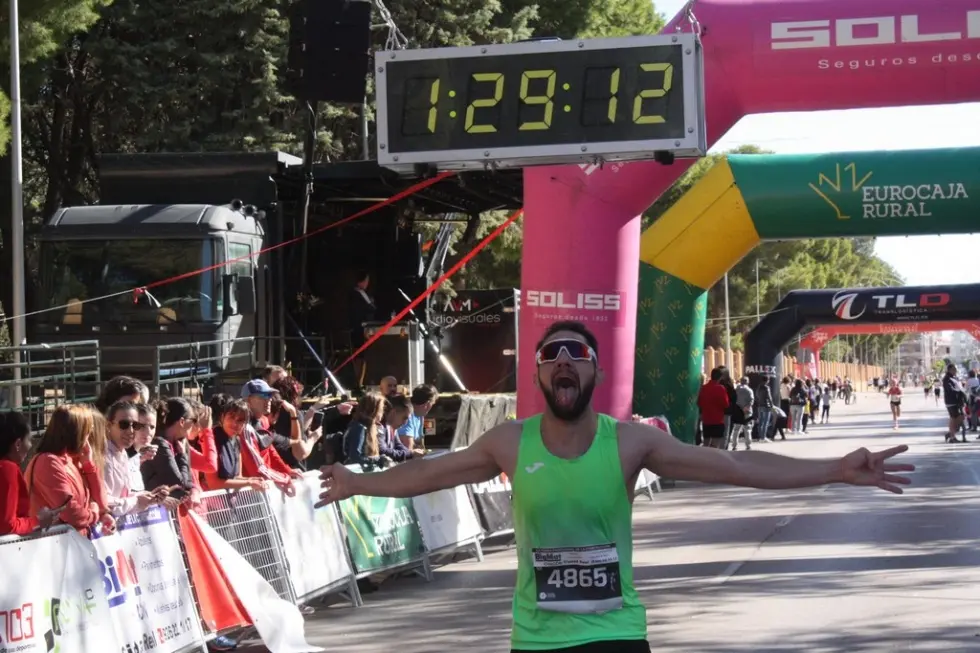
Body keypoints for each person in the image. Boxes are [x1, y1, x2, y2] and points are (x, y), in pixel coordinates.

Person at [316, 319, 913, 653]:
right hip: (537, 639)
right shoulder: (509, 443)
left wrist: (833, 468)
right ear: (539, 373)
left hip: (616, 635)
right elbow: (428, 472)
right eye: (552, 355)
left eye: (577, 354)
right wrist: (358, 482)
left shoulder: (629, 443)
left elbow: (738, 467)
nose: (564, 361)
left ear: (596, 371)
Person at [0, 412, 59, 535]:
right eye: (29, 439)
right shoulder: (7, 469)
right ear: (18, 444)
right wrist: (38, 521)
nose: (31, 445)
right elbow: (7, 526)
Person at [696, 368, 729, 449]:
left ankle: (704, 457)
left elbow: (699, 403)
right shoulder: (721, 388)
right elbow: (726, 404)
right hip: (717, 420)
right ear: (720, 377)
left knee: (706, 443)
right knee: (715, 445)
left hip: (706, 420)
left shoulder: (704, 388)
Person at [398, 384, 438, 448]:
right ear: (427, 404)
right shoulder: (407, 416)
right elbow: (407, 447)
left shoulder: (420, 416)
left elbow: (420, 444)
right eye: (432, 404)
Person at [942, 364, 966, 443]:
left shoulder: (954, 378)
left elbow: (958, 386)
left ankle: (950, 434)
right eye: (953, 369)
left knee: (959, 418)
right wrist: (959, 391)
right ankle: (952, 437)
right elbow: (950, 389)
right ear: (949, 370)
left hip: (956, 401)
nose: (955, 371)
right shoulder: (947, 379)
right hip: (951, 402)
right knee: (954, 418)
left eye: (955, 369)